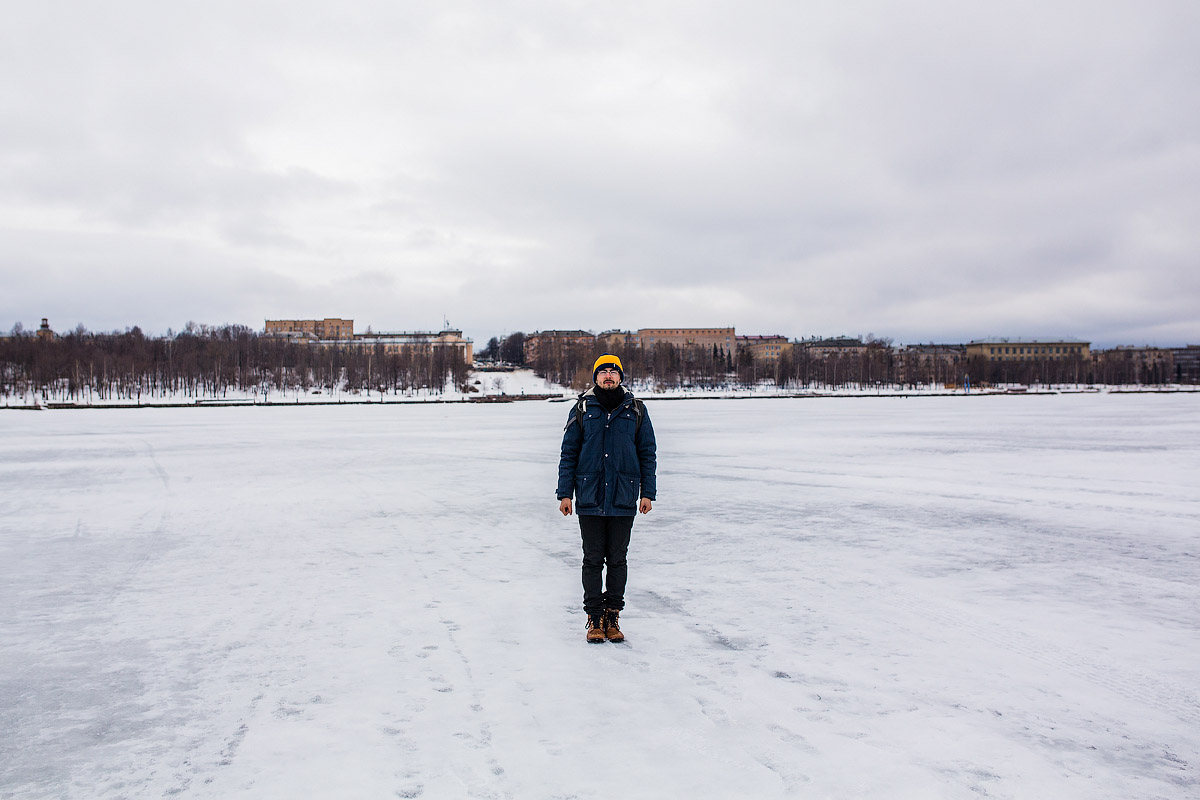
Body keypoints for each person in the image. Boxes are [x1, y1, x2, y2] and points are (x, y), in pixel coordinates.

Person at [557, 354, 657, 643]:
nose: (609, 376)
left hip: (624, 496)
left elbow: (647, 453)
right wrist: (565, 493)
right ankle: (594, 619)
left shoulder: (636, 409)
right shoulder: (583, 408)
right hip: (589, 495)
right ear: (596, 377)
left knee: (617, 560)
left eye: (614, 371)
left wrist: (647, 492)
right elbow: (569, 453)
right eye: (603, 372)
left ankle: (612, 616)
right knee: (591, 560)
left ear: (621, 377)